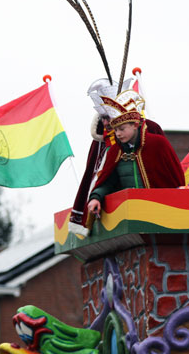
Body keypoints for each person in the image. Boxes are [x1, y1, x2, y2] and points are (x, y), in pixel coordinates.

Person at [70, 76, 166, 236]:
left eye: (109, 118)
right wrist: (96, 196)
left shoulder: (153, 136)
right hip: (124, 213)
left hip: (157, 212)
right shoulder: (111, 147)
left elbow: (168, 175)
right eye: (103, 119)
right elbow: (106, 179)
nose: (106, 123)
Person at [85, 88, 185, 218]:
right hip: (130, 214)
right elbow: (108, 182)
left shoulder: (158, 144)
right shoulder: (115, 151)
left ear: (135, 125)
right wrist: (96, 197)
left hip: (160, 211)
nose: (118, 134)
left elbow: (175, 179)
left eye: (122, 129)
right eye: (115, 130)